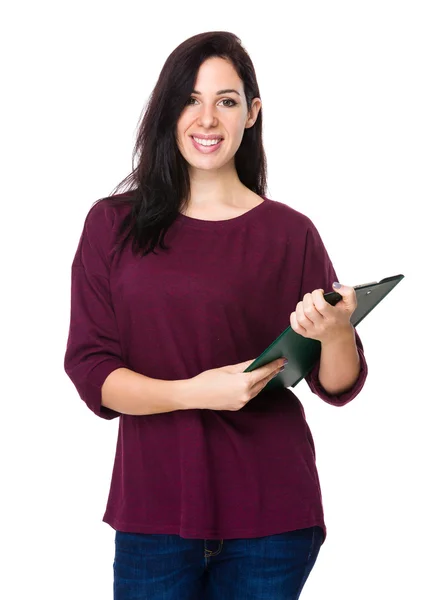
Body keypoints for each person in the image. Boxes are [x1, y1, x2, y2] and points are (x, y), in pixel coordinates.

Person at [64, 31, 368, 600]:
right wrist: (197, 391)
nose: (207, 119)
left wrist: (335, 333)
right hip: (154, 509)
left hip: (273, 513)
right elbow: (92, 372)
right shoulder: (112, 226)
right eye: (191, 99)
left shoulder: (290, 232)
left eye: (226, 101)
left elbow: (337, 384)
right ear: (167, 109)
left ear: (252, 113)